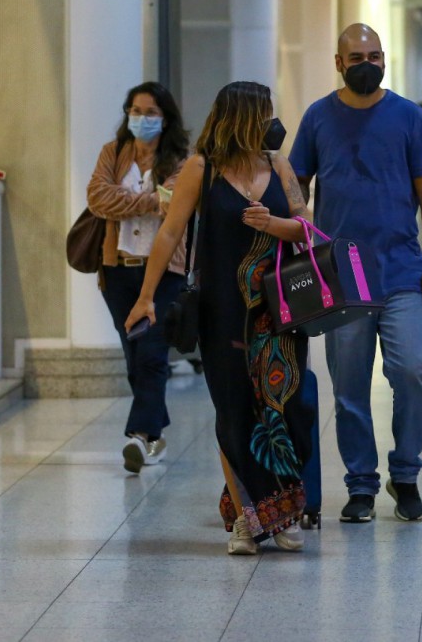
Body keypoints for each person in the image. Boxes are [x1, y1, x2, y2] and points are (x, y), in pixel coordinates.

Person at [125, 81, 313, 555]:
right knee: (235, 414)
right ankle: (247, 521)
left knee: (286, 410)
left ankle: (283, 511)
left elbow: (307, 227)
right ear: (242, 118)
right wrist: (146, 296)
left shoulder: (279, 165)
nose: (273, 120)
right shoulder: (201, 170)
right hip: (223, 312)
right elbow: (168, 235)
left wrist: (276, 226)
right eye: (265, 112)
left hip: (279, 312)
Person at [290, 23, 422, 524]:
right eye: (355, 56)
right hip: (341, 277)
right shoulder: (318, 117)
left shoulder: (408, 116)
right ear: (338, 62)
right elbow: (296, 190)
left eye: (375, 55)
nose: (366, 63)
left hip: (400, 270)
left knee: (412, 372)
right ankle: (360, 485)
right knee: (350, 387)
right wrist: (302, 248)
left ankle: (405, 474)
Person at [86, 82, 189, 474]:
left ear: (165, 118)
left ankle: (140, 436)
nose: (140, 118)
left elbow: (177, 205)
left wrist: (129, 202)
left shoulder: (182, 159)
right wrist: (151, 201)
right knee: (134, 356)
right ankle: (155, 433)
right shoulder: (113, 153)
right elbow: (98, 198)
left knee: (150, 353)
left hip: (164, 273)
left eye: (149, 112)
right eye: (135, 110)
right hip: (118, 269)